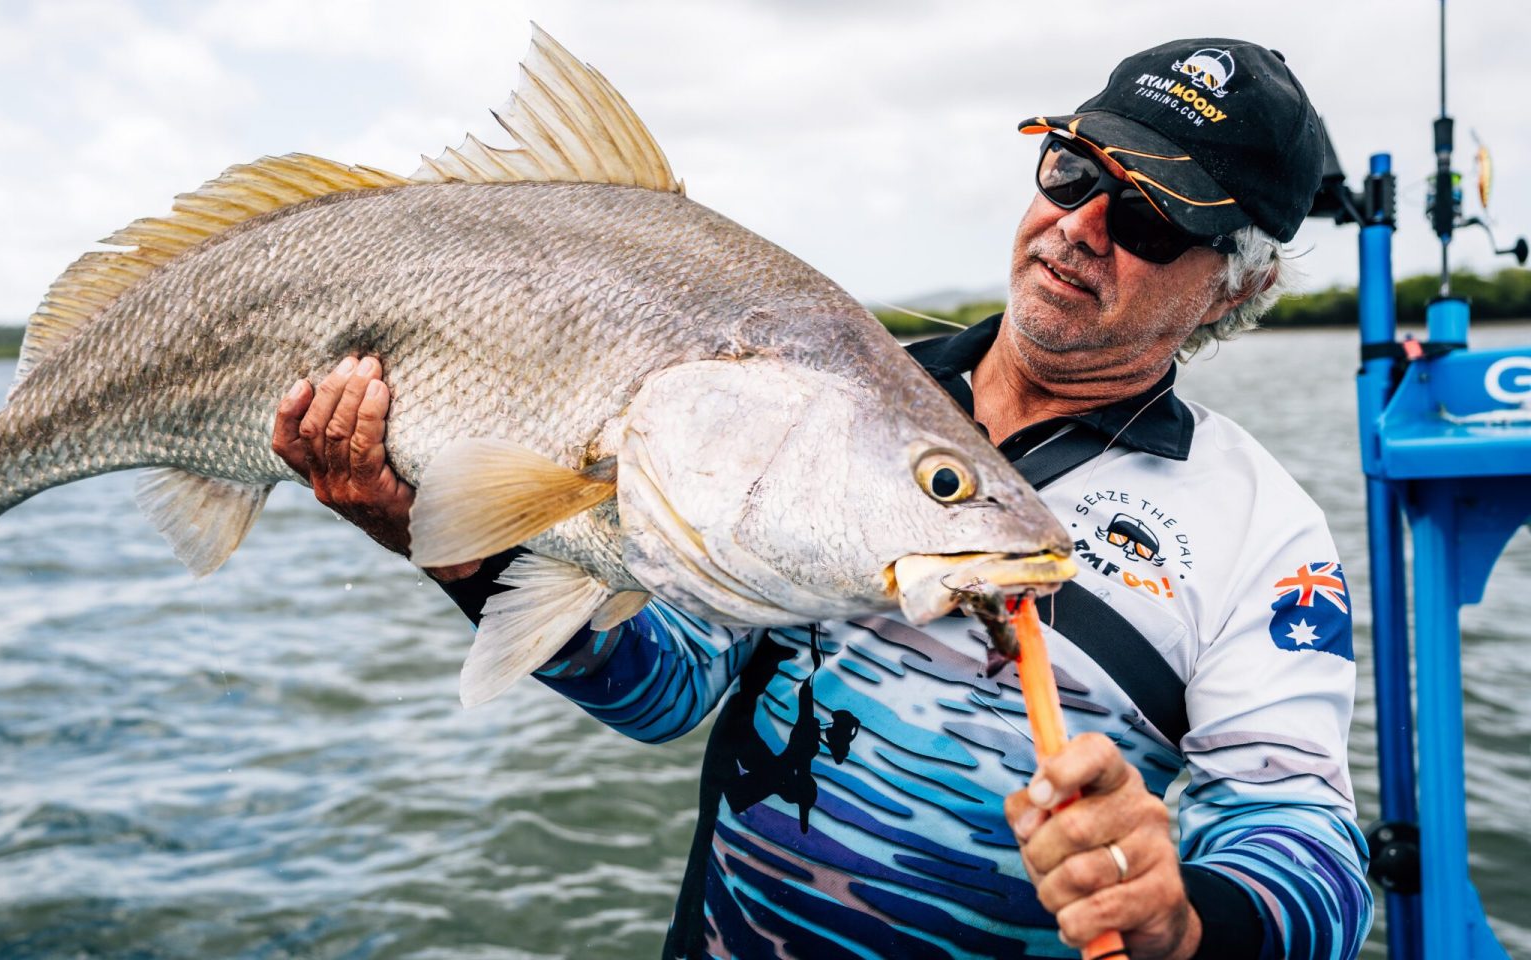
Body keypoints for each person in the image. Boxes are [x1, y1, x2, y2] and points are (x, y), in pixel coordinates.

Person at [271, 38, 1372, 960]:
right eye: (1074, 173)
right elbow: (669, 692)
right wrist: (465, 558)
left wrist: (1181, 918)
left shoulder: (1259, 528)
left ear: (1243, 279)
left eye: (1151, 220)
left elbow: (1312, 854)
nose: (1081, 227)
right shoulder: (830, 387)